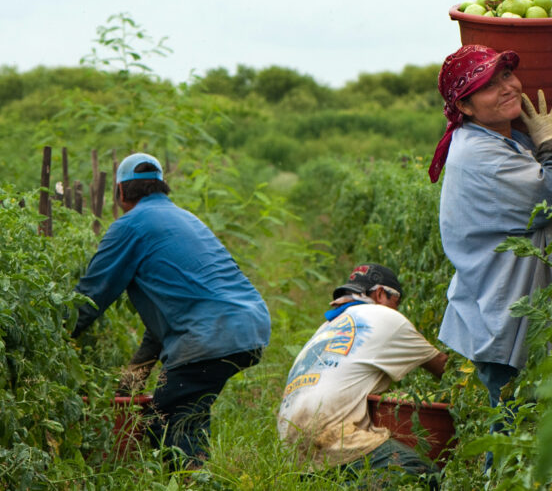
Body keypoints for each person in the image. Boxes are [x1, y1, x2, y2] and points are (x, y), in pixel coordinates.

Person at [429, 44, 552, 468]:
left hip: (496, 306)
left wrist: (538, 141)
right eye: (489, 85)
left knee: (515, 428)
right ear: (465, 105)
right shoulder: (484, 156)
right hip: (502, 314)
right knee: (515, 437)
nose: (508, 87)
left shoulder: (486, 139)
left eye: (506, 76)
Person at [70, 152, 271, 464]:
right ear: (162, 186)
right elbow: (168, 319)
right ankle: (197, 478)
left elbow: (90, 297)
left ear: (121, 192)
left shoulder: (129, 227)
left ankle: (193, 481)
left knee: (166, 427)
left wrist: (57, 338)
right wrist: (132, 378)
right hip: (250, 327)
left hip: (210, 335)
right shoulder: (185, 218)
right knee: (184, 413)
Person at [277, 263, 448, 484]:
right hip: (333, 436)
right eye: (396, 302)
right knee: (427, 477)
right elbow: (444, 367)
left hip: (289, 449)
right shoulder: (388, 318)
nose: (397, 310)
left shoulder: (327, 326)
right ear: (380, 294)